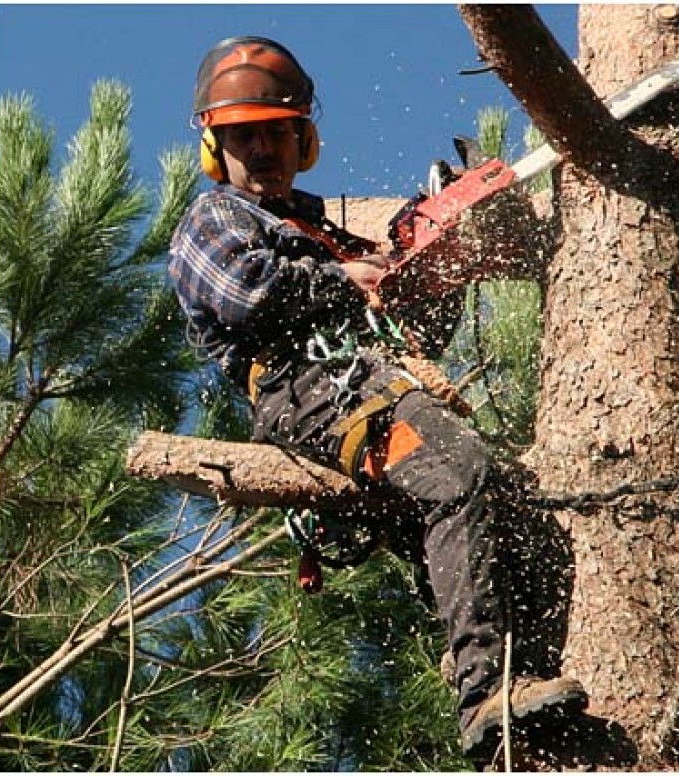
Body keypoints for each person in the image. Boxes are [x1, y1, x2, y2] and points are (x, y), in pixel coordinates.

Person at [167, 35, 586, 764]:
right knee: (461, 475)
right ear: (216, 149)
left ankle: (537, 687)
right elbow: (245, 294)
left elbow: (406, 325)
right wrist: (348, 278)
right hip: (310, 387)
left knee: (516, 511)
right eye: (243, 137)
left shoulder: (327, 233)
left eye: (273, 131)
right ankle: (486, 694)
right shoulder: (216, 222)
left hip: (371, 381)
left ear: (303, 139)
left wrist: (433, 271)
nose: (260, 149)